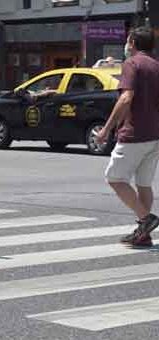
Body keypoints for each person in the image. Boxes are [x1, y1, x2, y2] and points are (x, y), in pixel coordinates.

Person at [96, 27, 159, 248]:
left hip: (134, 134)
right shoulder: (156, 65)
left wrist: (106, 129)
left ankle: (146, 219)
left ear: (132, 42)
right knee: (144, 184)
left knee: (114, 178)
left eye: (127, 41)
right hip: (154, 134)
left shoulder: (132, 64)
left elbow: (125, 98)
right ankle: (144, 235)